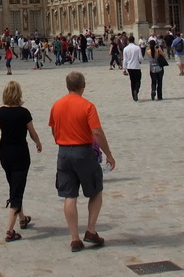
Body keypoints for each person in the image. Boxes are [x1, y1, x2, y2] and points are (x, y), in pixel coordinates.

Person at [47, 71, 115, 252]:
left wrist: (61, 142)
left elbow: (53, 130)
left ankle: (74, 238)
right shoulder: (87, 106)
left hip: (63, 152)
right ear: (83, 85)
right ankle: (91, 230)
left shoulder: (57, 105)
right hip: (83, 151)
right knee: (96, 190)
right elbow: (97, 132)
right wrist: (108, 154)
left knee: (70, 195)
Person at [0, 81, 42, 242]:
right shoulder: (24, 112)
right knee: (17, 190)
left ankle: (22, 218)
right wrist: (38, 142)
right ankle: (9, 230)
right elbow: (32, 132)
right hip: (20, 153)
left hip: (5, 153)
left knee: (14, 185)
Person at [122, 35, 143, 101]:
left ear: (128, 41)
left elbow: (125, 59)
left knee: (132, 81)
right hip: (136, 66)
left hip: (129, 67)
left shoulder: (125, 49)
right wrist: (140, 61)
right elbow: (140, 58)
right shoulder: (137, 48)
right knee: (138, 80)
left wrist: (124, 69)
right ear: (134, 40)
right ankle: (136, 90)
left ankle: (133, 94)